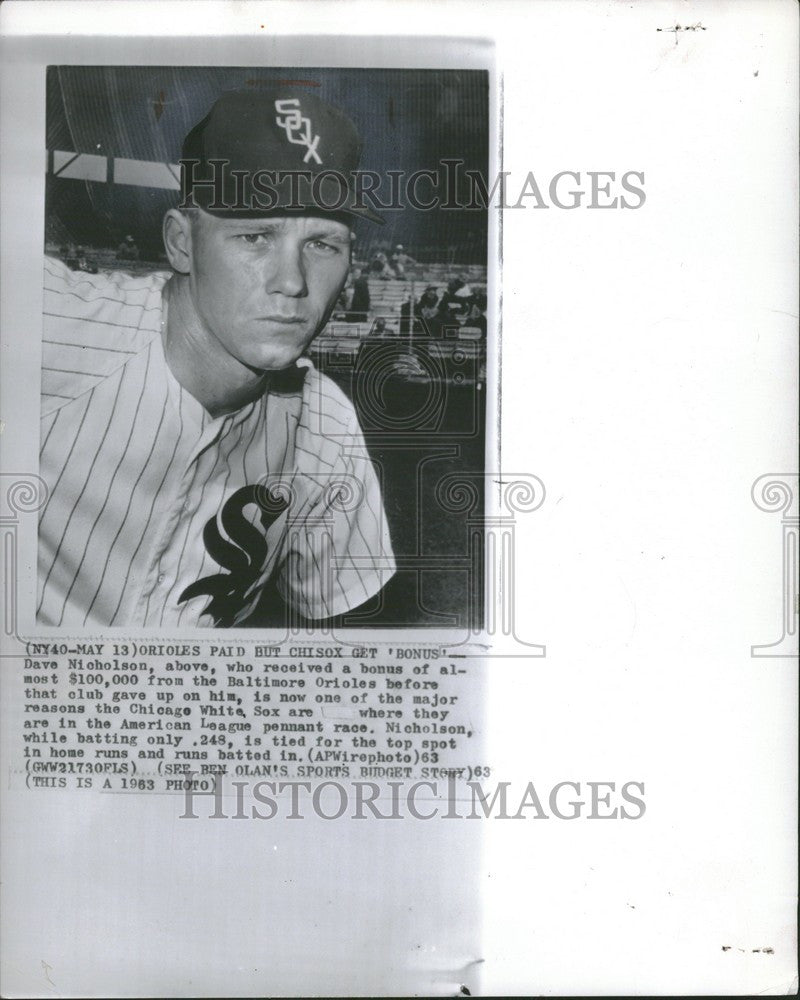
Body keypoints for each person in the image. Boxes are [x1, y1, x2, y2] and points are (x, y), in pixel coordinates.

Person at [38, 88, 395, 628]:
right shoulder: (57, 328)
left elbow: (345, 643)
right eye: (255, 236)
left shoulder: (327, 426)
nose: (293, 282)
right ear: (181, 242)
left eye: (322, 244)